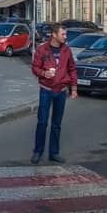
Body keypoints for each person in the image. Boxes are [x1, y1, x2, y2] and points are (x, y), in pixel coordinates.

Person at [30, 23, 77, 164]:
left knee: (56, 124)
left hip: (61, 92)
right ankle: (37, 152)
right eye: (63, 34)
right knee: (42, 122)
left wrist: (73, 88)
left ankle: (54, 153)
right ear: (54, 35)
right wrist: (44, 73)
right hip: (46, 90)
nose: (65, 37)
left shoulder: (66, 50)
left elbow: (72, 69)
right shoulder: (42, 49)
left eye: (66, 34)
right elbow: (35, 68)